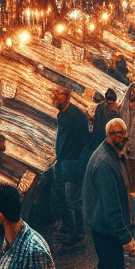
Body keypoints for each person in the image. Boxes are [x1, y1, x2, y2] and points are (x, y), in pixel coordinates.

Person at [76, 119, 135, 269]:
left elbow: (119, 192)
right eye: (120, 135)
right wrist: (127, 238)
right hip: (104, 227)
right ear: (111, 135)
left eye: (125, 134)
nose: (124, 139)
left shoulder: (115, 154)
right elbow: (111, 209)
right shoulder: (104, 163)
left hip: (107, 224)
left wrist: (134, 199)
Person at [52, 86, 91, 248]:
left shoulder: (77, 116)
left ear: (66, 98)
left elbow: (85, 141)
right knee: (59, 196)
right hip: (62, 161)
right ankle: (69, 228)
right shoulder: (61, 115)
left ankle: (80, 233)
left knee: (73, 199)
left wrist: (78, 160)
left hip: (73, 162)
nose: (54, 101)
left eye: (57, 98)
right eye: (53, 98)